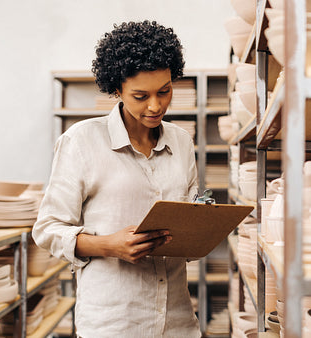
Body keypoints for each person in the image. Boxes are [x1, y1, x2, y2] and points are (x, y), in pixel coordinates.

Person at [32, 20, 201, 338]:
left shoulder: (181, 142)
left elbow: (189, 223)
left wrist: (201, 228)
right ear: (117, 90)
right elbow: (48, 230)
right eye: (141, 96)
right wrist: (110, 245)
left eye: (164, 92)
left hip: (176, 321)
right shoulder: (81, 142)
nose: (155, 106)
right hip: (113, 324)